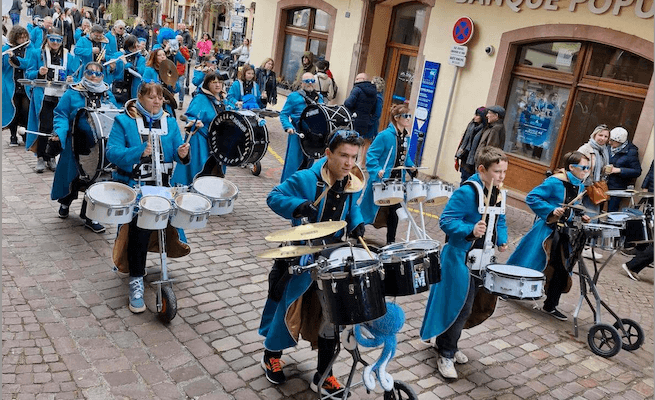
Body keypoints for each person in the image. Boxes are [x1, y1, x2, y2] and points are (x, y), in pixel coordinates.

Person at [259, 129, 366, 397]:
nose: (349, 163)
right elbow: (274, 196)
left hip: (332, 257)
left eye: (354, 157)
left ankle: (325, 373)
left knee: (332, 315)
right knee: (287, 306)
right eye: (343, 156)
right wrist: (298, 206)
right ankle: (271, 354)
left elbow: (352, 209)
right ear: (328, 153)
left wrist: (358, 224)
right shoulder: (306, 178)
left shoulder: (350, 182)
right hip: (301, 254)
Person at [420, 146, 509, 380]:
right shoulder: (467, 192)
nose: (501, 177)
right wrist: (470, 229)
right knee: (460, 306)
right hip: (459, 257)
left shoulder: (498, 192)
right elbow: (446, 221)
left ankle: (449, 343)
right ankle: (446, 353)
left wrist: (502, 239)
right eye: (497, 172)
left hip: (483, 258)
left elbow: (500, 219)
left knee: (470, 306)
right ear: (482, 169)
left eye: (504, 172)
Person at [105, 81, 191, 313]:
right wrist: (138, 151)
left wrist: (183, 153)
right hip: (135, 186)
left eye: (160, 97)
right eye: (151, 96)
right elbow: (111, 152)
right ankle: (136, 279)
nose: (157, 100)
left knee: (167, 226)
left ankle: (148, 270)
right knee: (139, 231)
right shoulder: (124, 121)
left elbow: (175, 152)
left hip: (162, 186)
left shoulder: (170, 123)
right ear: (140, 97)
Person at [507, 151, 592, 321]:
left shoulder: (580, 186)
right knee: (530, 260)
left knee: (561, 269)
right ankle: (508, 289)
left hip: (566, 234)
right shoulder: (554, 182)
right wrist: (551, 210)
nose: (586, 171)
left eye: (588, 168)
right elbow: (532, 197)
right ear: (571, 167)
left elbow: (576, 205)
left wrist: (580, 215)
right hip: (547, 231)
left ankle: (551, 305)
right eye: (583, 167)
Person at [50, 62, 119, 233]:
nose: (94, 75)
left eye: (97, 73)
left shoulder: (107, 94)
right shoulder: (72, 92)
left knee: (98, 179)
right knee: (73, 178)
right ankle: (65, 203)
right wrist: (60, 132)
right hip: (76, 145)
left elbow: (115, 114)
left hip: (100, 147)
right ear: (84, 73)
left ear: (103, 75)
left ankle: (90, 216)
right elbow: (61, 114)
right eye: (90, 72)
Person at [359, 103, 416, 245]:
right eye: (406, 116)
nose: (409, 119)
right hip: (383, 180)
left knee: (394, 210)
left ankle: (390, 241)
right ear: (397, 118)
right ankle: (357, 232)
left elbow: (405, 156)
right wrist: (377, 170)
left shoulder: (405, 137)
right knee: (368, 210)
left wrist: (411, 167)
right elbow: (371, 154)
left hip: (397, 182)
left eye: (409, 116)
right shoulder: (384, 135)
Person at [25, 26, 79, 173]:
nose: (55, 43)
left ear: (62, 41)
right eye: (52, 39)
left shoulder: (69, 56)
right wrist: (38, 72)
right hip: (44, 96)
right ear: (47, 39)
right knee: (44, 126)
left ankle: (51, 156)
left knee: (58, 129)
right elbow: (29, 74)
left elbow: (75, 75)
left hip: (61, 98)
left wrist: (71, 78)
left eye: (58, 40)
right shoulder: (38, 53)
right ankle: (41, 157)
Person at [171, 72, 230, 186]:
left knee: (215, 172)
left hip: (217, 142)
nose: (218, 85)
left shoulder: (223, 99)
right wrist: (195, 122)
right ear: (207, 84)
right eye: (214, 82)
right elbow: (190, 116)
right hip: (201, 141)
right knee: (199, 170)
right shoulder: (200, 98)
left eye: (220, 82)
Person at [279, 72, 324, 183]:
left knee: (309, 163)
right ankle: (287, 187)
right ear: (302, 83)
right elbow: (284, 114)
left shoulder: (320, 97)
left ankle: (303, 187)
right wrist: (288, 127)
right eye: (307, 81)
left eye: (312, 81)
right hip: (297, 133)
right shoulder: (294, 96)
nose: (309, 83)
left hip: (313, 135)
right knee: (293, 163)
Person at [3, 25, 32, 147]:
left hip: (25, 85)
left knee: (26, 111)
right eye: (20, 38)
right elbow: (4, 67)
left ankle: (25, 135)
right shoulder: (7, 48)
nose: (23, 40)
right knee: (13, 111)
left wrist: (13, 57)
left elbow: (26, 64)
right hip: (12, 85)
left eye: (25, 37)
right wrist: (5, 56)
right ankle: (13, 136)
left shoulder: (30, 49)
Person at [344, 73, 380, 162]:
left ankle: (350, 162)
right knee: (361, 144)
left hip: (354, 120)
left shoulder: (357, 89)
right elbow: (375, 109)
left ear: (363, 79)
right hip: (365, 122)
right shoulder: (374, 91)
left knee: (350, 143)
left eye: (357, 79)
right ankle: (358, 164)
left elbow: (348, 103)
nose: (355, 81)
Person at [606, 127, 641, 212]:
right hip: (602, 184)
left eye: (612, 141)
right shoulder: (607, 148)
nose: (609, 142)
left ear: (619, 142)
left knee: (611, 211)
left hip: (617, 186)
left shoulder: (631, 152)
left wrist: (619, 170)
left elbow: (637, 171)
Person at [577, 124, 610, 214]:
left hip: (595, 187)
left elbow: (600, 169)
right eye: (600, 135)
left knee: (592, 215)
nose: (602, 138)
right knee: (578, 212)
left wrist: (605, 170)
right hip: (583, 186)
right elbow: (576, 167)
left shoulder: (604, 151)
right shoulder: (585, 149)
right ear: (594, 135)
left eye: (605, 136)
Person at [455, 107, 488, 184]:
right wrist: (457, 154)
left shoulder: (484, 129)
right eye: (475, 115)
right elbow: (463, 140)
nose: (474, 117)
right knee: (463, 178)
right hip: (465, 156)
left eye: (477, 115)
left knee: (470, 181)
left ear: (482, 117)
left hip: (473, 160)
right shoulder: (471, 125)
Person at [143, 48, 180, 115]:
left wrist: (173, 85)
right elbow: (144, 83)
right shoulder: (149, 70)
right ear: (155, 57)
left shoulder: (169, 70)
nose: (162, 56)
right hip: (153, 103)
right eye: (159, 55)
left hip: (166, 103)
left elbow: (177, 89)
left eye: (164, 55)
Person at [112, 35, 145, 107]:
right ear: (127, 46)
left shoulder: (141, 59)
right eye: (133, 47)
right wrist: (112, 66)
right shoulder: (118, 55)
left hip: (133, 88)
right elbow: (112, 73)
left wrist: (126, 64)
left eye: (137, 46)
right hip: (119, 89)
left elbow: (140, 72)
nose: (136, 49)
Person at [174, 34, 190, 109]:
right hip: (173, 71)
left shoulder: (184, 48)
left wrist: (181, 49)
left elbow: (187, 57)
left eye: (180, 40)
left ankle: (181, 101)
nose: (179, 41)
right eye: (177, 40)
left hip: (181, 71)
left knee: (181, 87)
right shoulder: (172, 48)